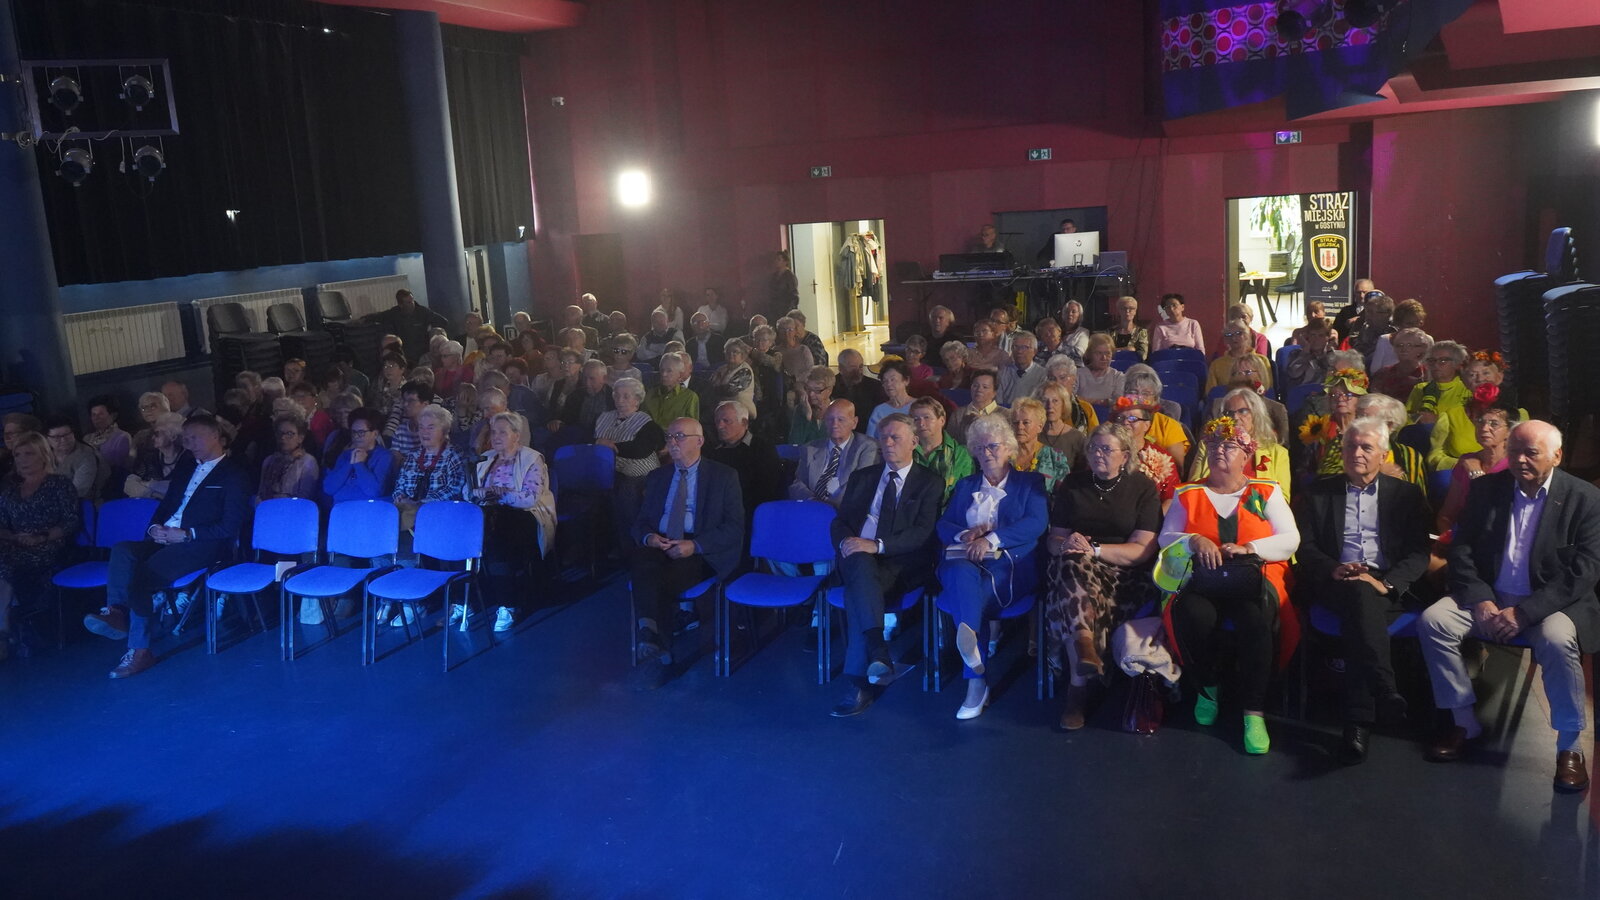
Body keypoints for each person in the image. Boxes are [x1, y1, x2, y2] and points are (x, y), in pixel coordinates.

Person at [1419, 421, 1598, 792]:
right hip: (1490, 596)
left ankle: (1569, 746)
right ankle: (1463, 721)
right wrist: (1480, 598)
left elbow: (1585, 570)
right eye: (1514, 451)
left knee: (1558, 641)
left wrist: (1526, 612)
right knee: (1434, 620)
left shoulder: (1585, 498)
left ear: (1557, 456)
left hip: (1549, 604)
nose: (1519, 460)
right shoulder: (1487, 489)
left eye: (1531, 452)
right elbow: (1462, 549)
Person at [1158, 416, 1301, 754]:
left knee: (1256, 619)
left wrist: (1250, 547)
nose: (1220, 450)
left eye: (1230, 445)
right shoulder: (1187, 493)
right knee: (1193, 614)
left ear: (1246, 455)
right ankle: (1208, 687)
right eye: (1214, 445)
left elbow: (1290, 539)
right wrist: (1193, 540)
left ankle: (1254, 711)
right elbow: (1165, 538)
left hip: (1254, 578)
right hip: (1204, 580)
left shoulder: (1266, 490)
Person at [1294, 418, 1432, 764]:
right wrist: (1333, 568)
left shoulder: (1406, 495)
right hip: (1335, 580)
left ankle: (1358, 720)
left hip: (1386, 582)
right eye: (1350, 446)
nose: (1356, 453)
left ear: (1383, 455)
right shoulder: (1318, 492)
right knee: (1358, 596)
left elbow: (1419, 553)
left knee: (1362, 606)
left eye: (1366, 447)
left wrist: (1386, 583)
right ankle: (1384, 688)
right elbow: (1306, 547)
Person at [84, 415, 250, 679]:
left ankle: (140, 650)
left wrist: (186, 535)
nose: (189, 444)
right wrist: (154, 528)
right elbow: (167, 505)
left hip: (200, 544)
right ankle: (116, 611)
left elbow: (229, 526)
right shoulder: (186, 466)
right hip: (164, 537)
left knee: (138, 577)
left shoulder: (234, 474)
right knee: (123, 550)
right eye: (186, 439)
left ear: (215, 436)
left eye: (194, 438)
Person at [1044, 422, 1163, 730]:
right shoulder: (1073, 484)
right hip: (1075, 569)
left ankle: (1077, 688)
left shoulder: (1142, 487)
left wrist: (1094, 550)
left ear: (1125, 455)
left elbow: (1142, 550)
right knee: (1072, 566)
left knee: (1074, 583)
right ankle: (1084, 651)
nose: (1098, 454)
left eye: (1107, 449)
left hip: (1124, 576)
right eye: (1094, 448)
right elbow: (1053, 540)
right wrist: (1067, 544)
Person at [935, 413, 1049, 719]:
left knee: (972, 598)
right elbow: (944, 524)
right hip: (964, 563)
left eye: (994, 446)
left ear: (1009, 448)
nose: (987, 453)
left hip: (1009, 567)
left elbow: (1036, 523)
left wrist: (991, 539)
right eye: (981, 447)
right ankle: (973, 659)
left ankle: (974, 676)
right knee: (962, 573)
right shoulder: (966, 485)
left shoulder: (1030, 483)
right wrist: (964, 534)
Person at [828, 414, 942, 717]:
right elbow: (840, 522)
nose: (887, 443)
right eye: (884, 437)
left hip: (900, 564)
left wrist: (876, 545)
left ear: (914, 442)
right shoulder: (863, 477)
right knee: (859, 565)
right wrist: (847, 542)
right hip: (856, 557)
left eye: (895, 438)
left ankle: (862, 677)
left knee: (857, 591)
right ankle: (876, 652)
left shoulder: (930, 482)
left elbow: (922, 534)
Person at [629, 418, 744, 690]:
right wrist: (649, 537)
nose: (672, 442)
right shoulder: (658, 477)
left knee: (658, 579)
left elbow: (734, 527)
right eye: (669, 437)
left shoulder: (723, 476)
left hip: (700, 549)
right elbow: (640, 522)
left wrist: (696, 545)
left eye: (679, 436)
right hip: (662, 542)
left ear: (699, 441)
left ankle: (657, 645)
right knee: (642, 560)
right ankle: (654, 638)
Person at [468, 412, 556, 633]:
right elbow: (467, 490)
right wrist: (477, 493)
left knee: (498, 537)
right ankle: (464, 600)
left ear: (516, 435)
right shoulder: (486, 457)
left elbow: (530, 498)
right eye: (493, 432)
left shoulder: (532, 458)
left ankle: (507, 604)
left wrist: (501, 493)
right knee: (460, 531)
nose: (496, 437)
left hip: (523, 514)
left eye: (502, 432)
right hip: (488, 513)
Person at [0, 432, 79, 660]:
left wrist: (41, 537)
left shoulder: (59, 484)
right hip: (15, 544)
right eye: (17, 455)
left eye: (29, 454)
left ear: (43, 455)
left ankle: (2, 631)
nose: (22, 460)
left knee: (5, 563)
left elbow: (71, 522)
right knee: (5, 558)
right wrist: (15, 537)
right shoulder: (10, 492)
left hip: (49, 544)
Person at [1434, 398, 1520, 543]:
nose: (1484, 428)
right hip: (1462, 538)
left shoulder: (1515, 467)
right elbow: (1446, 515)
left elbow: (1490, 514)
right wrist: (1449, 538)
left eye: (1494, 424)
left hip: (1497, 541)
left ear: (1509, 432)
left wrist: (1477, 475)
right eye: (1480, 421)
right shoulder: (1466, 461)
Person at [594, 378, 666, 547]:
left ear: (637, 400)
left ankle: (632, 544)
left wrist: (611, 447)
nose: (620, 400)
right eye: (617, 395)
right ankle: (603, 544)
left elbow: (641, 450)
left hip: (640, 473)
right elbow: (587, 439)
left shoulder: (646, 422)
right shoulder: (604, 417)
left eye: (626, 396)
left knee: (625, 490)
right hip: (608, 470)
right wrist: (598, 443)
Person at [1191, 388, 1292, 498]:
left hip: (1258, 508)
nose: (1235, 417)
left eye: (1243, 411)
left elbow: (1282, 498)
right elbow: (1194, 489)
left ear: (1256, 414)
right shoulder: (1207, 447)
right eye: (1229, 413)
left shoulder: (1278, 453)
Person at [1428, 351, 1511, 472]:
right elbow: (1434, 458)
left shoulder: (1517, 415)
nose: (1480, 379)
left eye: (1486, 373)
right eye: (1472, 375)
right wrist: (1463, 464)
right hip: (1463, 475)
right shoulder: (1451, 416)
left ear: (1499, 377)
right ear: (1464, 382)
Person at [790, 400, 880, 506]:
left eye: (841, 420)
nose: (835, 424)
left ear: (854, 422)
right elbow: (797, 485)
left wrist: (829, 507)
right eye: (830, 419)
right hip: (811, 509)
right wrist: (814, 503)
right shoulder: (810, 448)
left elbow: (860, 487)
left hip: (845, 510)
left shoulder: (866, 447)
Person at [706, 401, 782, 520]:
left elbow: (768, 490)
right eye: (717, 421)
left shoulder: (762, 449)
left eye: (726, 421)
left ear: (744, 423)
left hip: (751, 513)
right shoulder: (713, 452)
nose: (720, 426)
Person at [1299, 364, 1369, 479]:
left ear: (1359, 399)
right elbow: (1307, 467)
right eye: (1335, 395)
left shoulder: (1369, 429)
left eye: (1348, 395)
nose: (1340, 399)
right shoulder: (1317, 428)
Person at [1112, 396, 1181, 506]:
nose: (1125, 422)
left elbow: (1170, 498)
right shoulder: (1104, 452)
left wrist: (1155, 517)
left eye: (1132, 419)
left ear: (1146, 425)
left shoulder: (1161, 457)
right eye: (1120, 418)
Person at [322, 408, 396, 504]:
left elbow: (374, 491)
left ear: (375, 434)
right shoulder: (345, 455)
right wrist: (350, 463)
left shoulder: (384, 457)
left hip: (369, 509)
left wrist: (359, 465)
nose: (356, 437)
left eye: (361, 433)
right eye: (353, 432)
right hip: (341, 508)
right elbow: (328, 488)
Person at [908, 396, 973, 506]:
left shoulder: (961, 454)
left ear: (942, 420)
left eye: (927, 417)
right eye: (916, 419)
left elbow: (965, 494)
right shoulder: (906, 451)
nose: (921, 423)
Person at [1124, 366, 1191, 463]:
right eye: (1133, 392)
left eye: (1145, 393)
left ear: (1155, 399)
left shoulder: (1169, 426)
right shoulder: (1115, 422)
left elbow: (1176, 468)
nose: (1139, 398)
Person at [370, 289, 449, 365]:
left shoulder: (423, 312)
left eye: (412, 300)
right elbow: (380, 316)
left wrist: (431, 334)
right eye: (408, 302)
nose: (412, 304)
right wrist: (365, 319)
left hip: (422, 352)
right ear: (401, 305)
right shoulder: (395, 313)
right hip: (405, 353)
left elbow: (443, 321)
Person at [1010, 398, 1070, 492]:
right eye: (1016, 422)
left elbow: (1065, 493)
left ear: (1040, 427)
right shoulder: (1003, 455)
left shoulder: (1055, 457)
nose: (1020, 427)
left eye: (1026, 422)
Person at [124, 413, 189, 501]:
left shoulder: (188, 459)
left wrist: (147, 484)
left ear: (172, 436)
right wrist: (155, 494)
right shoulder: (148, 457)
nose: (153, 437)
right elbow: (129, 485)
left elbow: (180, 489)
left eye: (157, 433)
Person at [257, 415, 320, 503]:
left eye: (289, 434)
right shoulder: (269, 461)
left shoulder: (308, 462)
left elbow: (306, 497)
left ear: (300, 438)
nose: (283, 437)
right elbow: (261, 492)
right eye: (280, 433)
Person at [44, 416, 107, 500]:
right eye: (57, 437)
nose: (63, 440)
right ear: (47, 439)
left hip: (84, 501)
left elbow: (78, 491)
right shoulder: (44, 454)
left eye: (67, 435)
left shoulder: (85, 455)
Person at [1405, 340, 1468, 425]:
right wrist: (1418, 418)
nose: (1435, 365)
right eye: (1432, 360)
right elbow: (1406, 419)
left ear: (1457, 364)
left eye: (1443, 361)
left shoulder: (1467, 389)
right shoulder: (1420, 388)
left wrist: (1437, 419)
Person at [1207, 319, 1273, 394]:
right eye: (1229, 335)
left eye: (1238, 333)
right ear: (1225, 340)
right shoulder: (1217, 365)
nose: (1233, 338)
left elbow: (1268, 388)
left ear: (1247, 335)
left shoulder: (1262, 360)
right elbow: (1211, 394)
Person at [1370, 327, 1431, 401]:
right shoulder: (1383, 374)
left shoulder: (1428, 375)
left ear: (1422, 348)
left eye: (1409, 345)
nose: (1403, 349)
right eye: (1399, 345)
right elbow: (1375, 399)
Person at [1366, 298, 1426, 371]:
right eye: (1409, 323)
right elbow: (1374, 371)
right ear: (1399, 323)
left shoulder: (1428, 340)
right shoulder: (1384, 340)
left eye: (1418, 323)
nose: (1414, 327)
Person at [833, 350, 886, 432]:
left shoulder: (875, 386)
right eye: (853, 367)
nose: (858, 371)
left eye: (860, 366)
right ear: (840, 368)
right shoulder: (831, 386)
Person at [1043, 356, 1099, 430]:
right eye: (1052, 379)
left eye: (1062, 377)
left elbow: (1096, 435)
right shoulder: (1040, 408)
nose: (1057, 383)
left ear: (1074, 379)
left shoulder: (1085, 408)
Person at [644, 352, 698, 429]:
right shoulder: (650, 394)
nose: (664, 374)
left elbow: (691, 427)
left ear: (679, 374)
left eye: (669, 371)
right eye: (662, 370)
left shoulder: (690, 397)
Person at [949, 369, 1003, 445]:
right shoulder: (958, 414)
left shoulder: (1005, 415)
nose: (979, 390)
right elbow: (950, 442)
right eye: (975, 386)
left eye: (985, 387)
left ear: (994, 392)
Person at [787, 365, 835, 446]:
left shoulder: (838, 409)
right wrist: (807, 417)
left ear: (829, 391)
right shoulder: (801, 409)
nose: (811, 394)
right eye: (808, 389)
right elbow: (794, 444)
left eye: (817, 390)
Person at [1283, 317, 1336, 390]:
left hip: (1326, 393)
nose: (1316, 339)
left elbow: (1333, 374)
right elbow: (1294, 374)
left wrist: (1329, 351)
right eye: (1313, 335)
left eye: (1321, 335)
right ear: (1307, 336)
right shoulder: (1295, 354)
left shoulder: (1333, 356)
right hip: (1302, 393)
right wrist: (1305, 353)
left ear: (1328, 337)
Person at [867, 359, 916, 436]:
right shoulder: (879, 411)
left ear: (906, 381)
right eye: (885, 381)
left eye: (893, 379)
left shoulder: (919, 406)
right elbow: (870, 439)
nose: (889, 384)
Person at [709, 338, 755, 418]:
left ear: (742, 354)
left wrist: (713, 389)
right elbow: (709, 385)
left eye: (735, 352)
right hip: (722, 408)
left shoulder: (745, 371)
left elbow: (729, 391)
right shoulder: (722, 368)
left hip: (741, 411)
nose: (731, 354)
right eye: (728, 352)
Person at [85, 396, 133, 472]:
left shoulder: (122, 437)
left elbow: (122, 467)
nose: (97, 418)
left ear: (113, 415)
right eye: (93, 415)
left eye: (101, 414)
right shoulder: (87, 439)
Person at [998, 330, 1046, 406]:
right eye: (1016, 347)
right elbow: (998, 401)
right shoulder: (1003, 372)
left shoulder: (1043, 375)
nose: (1019, 351)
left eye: (1025, 347)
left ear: (1035, 351)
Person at [1347, 294, 1395, 368]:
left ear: (1386, 314)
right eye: (1367, 312)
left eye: (1371, 312)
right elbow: (1357, 347)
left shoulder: (1394, 332)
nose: (1367, 315)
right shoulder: (1366, 327)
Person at [1076, 334, 1125, 402]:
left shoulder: (1118, 377)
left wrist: (1086, 400)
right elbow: (1070, 399)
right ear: (1089, 354)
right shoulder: (1077, 374)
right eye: (1098, 353)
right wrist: (1100, 402)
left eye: (1108, 353)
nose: (1104, 358)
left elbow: (1118, 402)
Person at [767, 252, 800, 320]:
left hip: (785, 308)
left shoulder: (789, 276)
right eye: (775, 259)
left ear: (785, 262)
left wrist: (790, 310)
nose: (776, 261)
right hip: (775, 309)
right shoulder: (774, 276)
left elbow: (794, 295)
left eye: (779, 259)